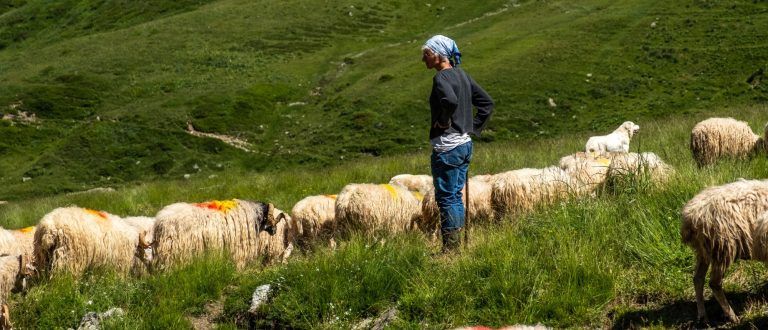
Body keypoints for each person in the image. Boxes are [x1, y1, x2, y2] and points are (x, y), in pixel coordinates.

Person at [421, 35, 494, 253]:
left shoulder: (441, 78)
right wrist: (472, 127)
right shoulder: (462, 75)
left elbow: (450, 101)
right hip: (464, 144)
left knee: (447, 197)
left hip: (448, 146)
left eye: (426, 54)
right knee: (455, 195)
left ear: (438, 55)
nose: (423, 59)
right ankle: (458, 245)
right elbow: (487, 104)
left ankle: (451, 250)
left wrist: (444, 121)